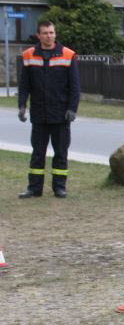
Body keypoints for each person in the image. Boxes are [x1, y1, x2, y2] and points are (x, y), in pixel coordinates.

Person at [17, 20, 80, 199]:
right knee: (38, 153)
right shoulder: (29, 55)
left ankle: (59, 187)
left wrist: (72, 109)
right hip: (39, 114)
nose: (49, 36)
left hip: (61, 114)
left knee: (60, 152)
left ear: (55, 34)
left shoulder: (68, 55)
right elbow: (24, 85)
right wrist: (22, 105)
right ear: (39, 35)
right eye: (45, 33)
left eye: (51, 32)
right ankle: (34, 188)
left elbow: (75, 86)